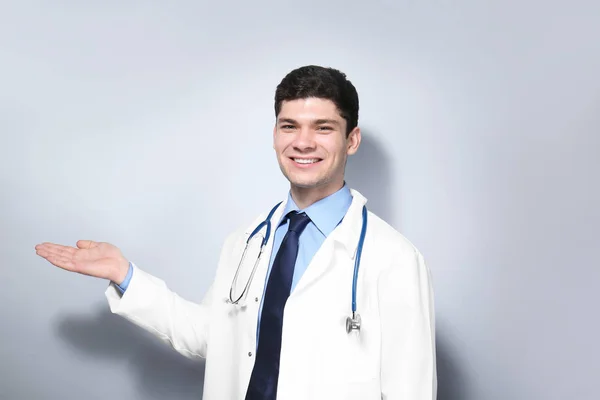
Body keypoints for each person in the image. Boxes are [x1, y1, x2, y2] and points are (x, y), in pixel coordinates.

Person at [35, 65, 437, 400]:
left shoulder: (395, 259)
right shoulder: (246, 242)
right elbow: (209, 337)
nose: (302, 142)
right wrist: (124, 275)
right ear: (275, 134)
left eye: (323, 128)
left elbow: (411, 390)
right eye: (289, 125)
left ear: (352, 140)